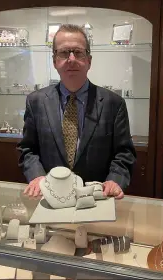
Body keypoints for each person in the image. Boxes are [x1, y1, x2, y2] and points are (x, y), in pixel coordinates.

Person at [17, 24, 136, 200]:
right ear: (55, 60)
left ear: (89, 60)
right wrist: (36, 175)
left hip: (96, 198)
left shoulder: (114, 103)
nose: (71, 59)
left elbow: (124, 152)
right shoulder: (36, 101)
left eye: (78, 52)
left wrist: (115, 180)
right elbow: (28, 149)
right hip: (50, 196)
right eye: (64, 53)